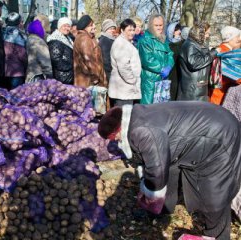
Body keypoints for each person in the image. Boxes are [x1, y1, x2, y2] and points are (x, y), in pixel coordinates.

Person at [98, 102, 241, 240]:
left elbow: (157, 171)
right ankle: (163, 210)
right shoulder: (136, 114)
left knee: (214, 194)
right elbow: (161, 160)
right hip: (205, 128)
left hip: (221, 136)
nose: (117, 142)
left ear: (118, 131)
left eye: (115, 139)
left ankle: (218, 235)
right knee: (171, 168)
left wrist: (151, 198)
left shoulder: (142, 132)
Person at [138, 14, 174, 104]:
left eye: (161, 25)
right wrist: (162, 68)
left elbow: (170, 53)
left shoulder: (164, 39)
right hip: (150, 80)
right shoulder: (145, 39)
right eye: (156, 25)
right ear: (151, 25)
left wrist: (169, 66)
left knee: (161, 108)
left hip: (163, 80)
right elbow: (147, 60)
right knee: (148, 109)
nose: (159, 28)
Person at [177, 22, 217, 101]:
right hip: (192, 90)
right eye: (207, 33)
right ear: (200, 33)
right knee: (192, 111)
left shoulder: (196, 44)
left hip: (198, 88)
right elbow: (195, 63)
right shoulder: (190, 45)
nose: (208, 36)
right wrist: (213, 53)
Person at [108, 19, 141, 107]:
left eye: (133, 30)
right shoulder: (121, 44)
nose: (132, 32)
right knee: (124, 117)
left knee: (125, 116)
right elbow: (123, 67)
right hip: (123, 89)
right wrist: (133, 80)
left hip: (125, 89)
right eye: (129, 30)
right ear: (122, 30)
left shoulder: (126, 42)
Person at [210, 26, 241, 105]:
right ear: (229, 38)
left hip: (219, 94)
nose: (239, 39)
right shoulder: (224, 53)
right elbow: (216, 80)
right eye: (237, 36)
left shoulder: (222, 50)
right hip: (220, 96)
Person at [73, 15, 107, 88]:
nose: (94, 26)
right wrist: (95, 78)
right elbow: (89, 60)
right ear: (85, 27)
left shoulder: (84, 37)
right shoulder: (85, 39)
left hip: (86, 80)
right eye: (91, 25)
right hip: (90, 81)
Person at [3, 12, 27, 90]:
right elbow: (22, 55)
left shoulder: (3, 33)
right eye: (21, 21)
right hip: (17, 72)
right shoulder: (18, 36)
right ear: (18, 23)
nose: (22, 24)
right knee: (16, 96)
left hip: (5, 70)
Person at [47, 17, 74, 84]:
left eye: (68, 26)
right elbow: (56, 60)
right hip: (61, 77)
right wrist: (72, 66)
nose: (67, 28)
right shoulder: (55, 40)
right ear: (59, 26)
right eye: (64, 26)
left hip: (67, 76)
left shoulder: (67, 38)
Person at [166, 22, 183, 100]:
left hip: (180, 72)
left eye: (179, 29)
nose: (179, 32)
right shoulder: (166, 45)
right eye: (176, 30)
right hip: (170, 73)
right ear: (171, 32)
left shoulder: (183, 44)